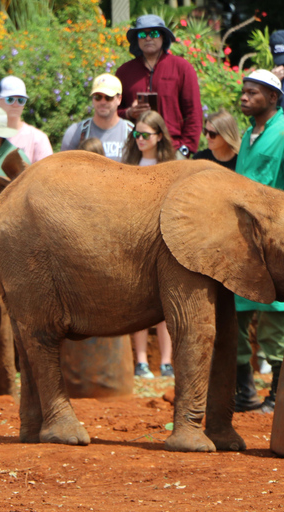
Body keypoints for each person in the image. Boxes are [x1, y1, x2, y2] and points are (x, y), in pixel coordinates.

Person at [234, 70, 284, 413]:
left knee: (276, 319)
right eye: (244, 91)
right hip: (240, 244)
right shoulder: (249, 135)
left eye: (253, 93)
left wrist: (270, 223)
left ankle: (279, 396)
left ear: (274, 98)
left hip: (273, 245)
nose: (245, 97)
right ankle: (243, 393)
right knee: (236, 317)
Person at [122, 110, 175, 378]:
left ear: (159, 136)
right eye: (136, 134)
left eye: (145, 135)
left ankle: (167, 362)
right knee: (137, 305)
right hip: (134, 241)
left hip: (164, 240)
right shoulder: (128, 165)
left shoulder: (172, 166)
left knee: (166, 305)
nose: (140, 139)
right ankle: (141, 362)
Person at [116, 15, 202, 154]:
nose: (148, 38)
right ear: (137, 39)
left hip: (172, 149)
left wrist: (186, 149)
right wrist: (129, 113)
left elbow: (194, 113)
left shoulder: (182, 68)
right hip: (137, 150)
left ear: (163, 37)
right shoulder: (124, 72)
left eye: (154, 33)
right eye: (142, 34)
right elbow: (112, 111)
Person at [61, 73, 134, 161]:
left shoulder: (131, 132)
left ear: (119, 99)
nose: (103, 102)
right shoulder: (76, 132)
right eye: (98, 97)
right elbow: (64, 168)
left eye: (108, 97)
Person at [0, 76, 52, 163]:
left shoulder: (38, 139)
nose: (15, 104)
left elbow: (46, 173)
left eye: (20, 100)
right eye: (10, 99)